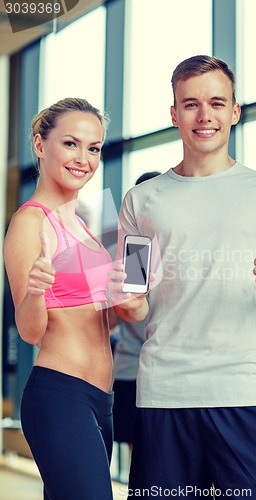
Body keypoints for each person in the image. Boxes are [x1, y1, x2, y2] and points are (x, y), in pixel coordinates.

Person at [108, 55, 256, 499]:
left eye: (217, 103)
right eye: (190, 104)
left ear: (235, 111)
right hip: (164, 395)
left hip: (246, 390)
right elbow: (133, 299)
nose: (205, 116)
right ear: (173, 114)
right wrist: (126, 302)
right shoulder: (142, 200)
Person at [3, 98, 114, 500]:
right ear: (39, 144)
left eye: (94, 147)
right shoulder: (29, 222)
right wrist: (34, 291)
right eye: (70, 143)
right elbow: (31, 330)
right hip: (60, 396)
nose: (83, 158)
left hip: (101, 400)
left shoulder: (83, 225)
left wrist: (131, 295)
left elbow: (99, 322)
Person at [108, 171, 160, 454]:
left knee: (141, 458)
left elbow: (112, 321)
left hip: (131, 369)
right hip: (139, 369)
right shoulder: (141, 251)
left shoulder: (125, 250)